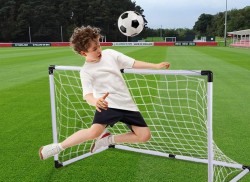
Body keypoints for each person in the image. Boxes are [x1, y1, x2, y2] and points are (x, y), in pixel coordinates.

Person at [39, 26, 170, 160]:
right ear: (84, 53)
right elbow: (87, 95)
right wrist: (96, 101)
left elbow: (133, 63)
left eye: (99, 45)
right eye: (94, 49)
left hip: (127, 104)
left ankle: (108, 140)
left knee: (144, 136)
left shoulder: (111, 54)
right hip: (108, 105)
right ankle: (57, 147)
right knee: (94, 132)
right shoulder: (86, 71)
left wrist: (155, 66)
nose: (99, 50)